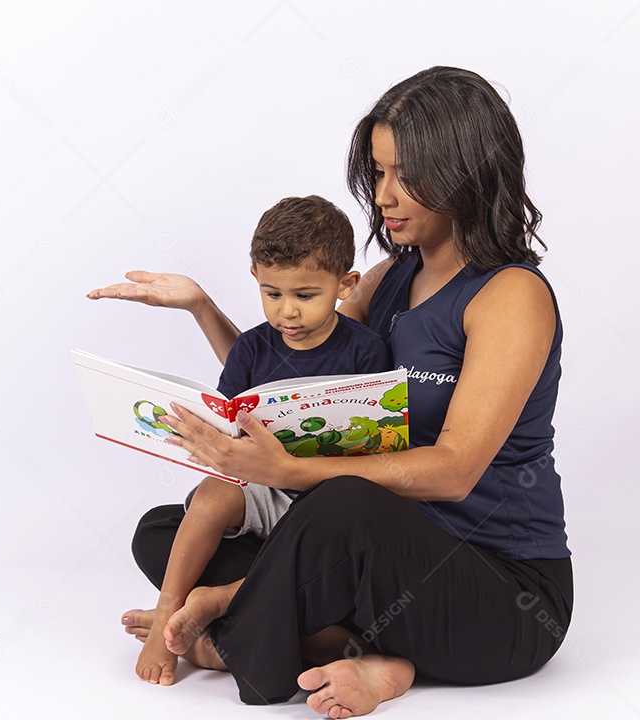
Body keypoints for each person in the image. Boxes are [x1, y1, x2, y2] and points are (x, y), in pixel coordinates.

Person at [89, 66, 573, 718]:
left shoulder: (511, 294)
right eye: (377, 173)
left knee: (340, 502)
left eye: (408, 174)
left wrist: (289, 469)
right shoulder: (386, 282)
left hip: (500, 593)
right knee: (169, 529)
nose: (385, 195)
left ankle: (236, 626)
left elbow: (457, 470)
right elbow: (285, 384)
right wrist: (201, 307)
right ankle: (366, 652)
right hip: (372, 564)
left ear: (468, 170)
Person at [90, 195, 393, 686]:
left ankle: (219, 625)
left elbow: (381, 440)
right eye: (272, 294)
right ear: (254, 276)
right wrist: (197, 431)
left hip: (327, 509)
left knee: (343, 625)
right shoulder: (252, 346)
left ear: (345, 285)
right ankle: (171, 610)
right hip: (263, 495)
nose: (287, 312)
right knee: (184, 513)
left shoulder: (366, 350)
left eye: (306, 295)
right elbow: (230, 416)